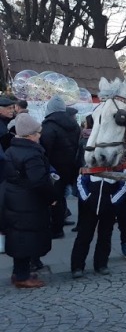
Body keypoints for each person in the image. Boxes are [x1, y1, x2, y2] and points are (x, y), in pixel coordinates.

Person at [2, 113, 57, 288]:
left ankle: (19, 272)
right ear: (30, 135)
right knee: (26, 239)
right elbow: (39, 181)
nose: (40, 135)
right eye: (37, 132)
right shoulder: (32, 153)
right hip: (28, 202)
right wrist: (52, 198)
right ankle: (22, 277)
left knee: (18, 236)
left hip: (14, 198)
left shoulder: (11, 149)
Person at [70, 170, 126, 278]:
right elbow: (80, 181)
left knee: (105, 237)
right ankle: (77, 266)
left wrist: (113, 201)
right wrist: (86, 198)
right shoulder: (90, 164)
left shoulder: (119, 167)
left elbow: (124, 184)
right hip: (89, 207)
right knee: (83, 236)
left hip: (109, 207)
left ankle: (101, 264)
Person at [40, 95, 81, 238]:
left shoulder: (48, 126)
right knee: (71, 195)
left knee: (55, 198)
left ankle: (57, 229)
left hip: (54, 169)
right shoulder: (74, 125)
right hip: (71, 166)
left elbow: (45, 150)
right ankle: (76, 223)